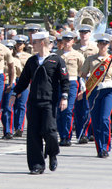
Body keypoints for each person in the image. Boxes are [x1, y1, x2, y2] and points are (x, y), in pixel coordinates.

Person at [9, 31, 69, 174]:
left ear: (42, 42)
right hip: (33, 102)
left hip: (49, 101)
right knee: (33, 134)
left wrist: (64, 97)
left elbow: (64, 81)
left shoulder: (56, 60)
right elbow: (23, 80)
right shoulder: (31, 61)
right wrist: (14, 93)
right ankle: (36, 165)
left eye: (34, 42)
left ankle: (52, 153)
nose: (32, 45)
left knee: (50, 131)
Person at [80, 33, 112, 158]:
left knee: (104, 119)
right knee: (96, 120)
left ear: (108, 45)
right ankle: (100, 148)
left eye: (105, 43)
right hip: (94, 91)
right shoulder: (90, 59)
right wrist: (83, 84)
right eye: (101, 43)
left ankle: (106, 146)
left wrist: (111, 83)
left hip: (108, 91)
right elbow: (82, 75)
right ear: (97, 44)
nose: (103, 45)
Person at [55, 31, 84, 146]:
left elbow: (83, 72)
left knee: (68, 110)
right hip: (58, 84)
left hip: (72, 83)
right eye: (65, 40)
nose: (67, 42)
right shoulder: (57, 54)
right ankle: (62, 135)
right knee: (59, 111)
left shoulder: (78, 55)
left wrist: (82, 87)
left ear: (73, 41)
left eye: (69, 40)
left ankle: (67, 136)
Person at [73, 24, 98, 144]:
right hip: (78, 79)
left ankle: (90, 132)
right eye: (82, 32)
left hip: (91, 79)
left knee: (90, 107)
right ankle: (81, 133)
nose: (84, 34)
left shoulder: (95, 48)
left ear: (90, 33)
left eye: (86, 32)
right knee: (79, 108)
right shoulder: (74, 47)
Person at [12, 34, 31, 137]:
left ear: (24, 45)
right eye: (17, 43)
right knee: (12, 105)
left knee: (21, 104)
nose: (18, 45)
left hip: (24, 80)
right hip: (13, 80)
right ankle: (13, 127)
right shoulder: (11, 55)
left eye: (21, 43)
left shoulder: (28, 56)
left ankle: (19, 127)